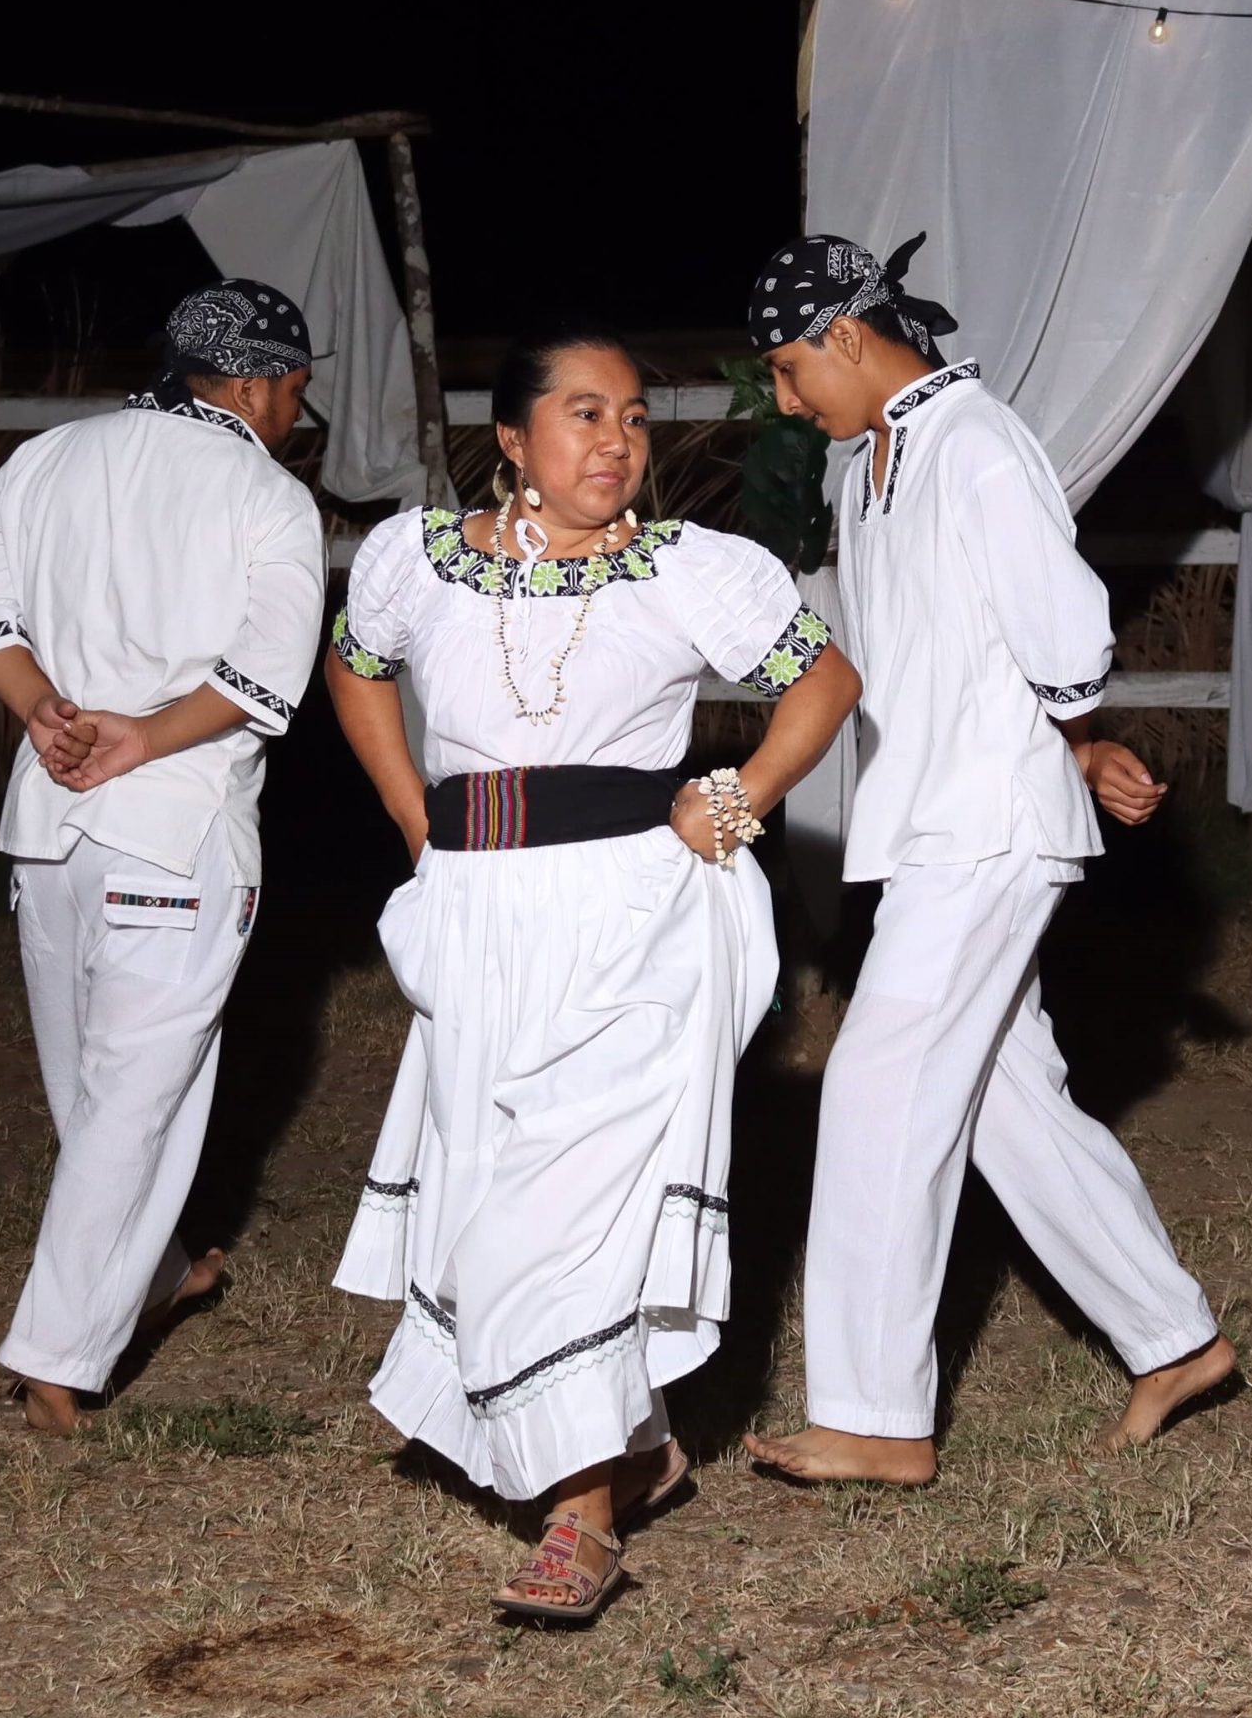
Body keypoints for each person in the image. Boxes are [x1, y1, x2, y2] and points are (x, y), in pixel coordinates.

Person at [324, 328, 860, 1625]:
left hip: (638, 915)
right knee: (494, 1183)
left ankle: (581, 1522)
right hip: (480, 915)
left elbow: (824, 679)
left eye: (630, 418)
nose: (616, 441)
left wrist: (737, 796)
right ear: (512, 440)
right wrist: (416, 821)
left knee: (565, 1203)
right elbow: (354, 667)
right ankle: (631, 1443)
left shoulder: (690, 572)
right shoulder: (419, 559)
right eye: (582, 414)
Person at [738, 235, 1234, 1484]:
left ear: (848, 334)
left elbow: (1062, 631)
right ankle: (1170, 1336)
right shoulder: (873, 462)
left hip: (981, 831)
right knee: (1007, 1106)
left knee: (875, 1088)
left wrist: (1057, 731)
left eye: (793, 372)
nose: (790, 403)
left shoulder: (974, 441)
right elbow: (943, 658)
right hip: (941, 817)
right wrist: (1064, 751)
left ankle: (875, 1415)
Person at [0, 280, 326, 1435]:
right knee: (129, 1104)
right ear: (256, 383)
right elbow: (269, 668)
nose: (298, 416)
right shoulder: (265, 494)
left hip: (49, 825)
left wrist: (44, 709)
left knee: (94, 1092)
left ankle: (152, 1272)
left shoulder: (50, 456)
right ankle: (59, 1354)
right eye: (297, 392)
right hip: (174, 826)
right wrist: (141, 735)